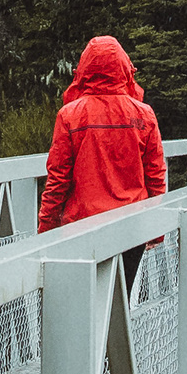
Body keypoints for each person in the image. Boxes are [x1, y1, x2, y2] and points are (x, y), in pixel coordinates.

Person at [39, 33, 166, 231]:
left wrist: (46, 230)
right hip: (133, 224)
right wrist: (156, 229)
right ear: (124, 67)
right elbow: (155, 175)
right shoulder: (144, 115)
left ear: (84, 69)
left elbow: (58, 179)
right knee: (128, 263)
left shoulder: (70, 115)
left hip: (83, 224)